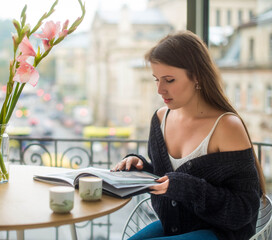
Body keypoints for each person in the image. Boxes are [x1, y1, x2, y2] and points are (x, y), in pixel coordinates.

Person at [112, 30, 265, 240]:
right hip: (175, 225)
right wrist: (140, 167)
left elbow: (243, 210)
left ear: (197, 77)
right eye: (156, 79)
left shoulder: (227, 127)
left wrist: (185, 187)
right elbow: (165, 179)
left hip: (220, 233)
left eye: (169, 80)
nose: (160, 89)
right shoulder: (159, 119)